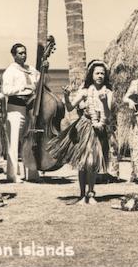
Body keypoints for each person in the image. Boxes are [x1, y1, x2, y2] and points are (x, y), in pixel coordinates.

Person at [48, 60, 113, 205]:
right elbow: (70, 107)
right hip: (83, 127)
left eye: (103, 73)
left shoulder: (108, 93)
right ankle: (83, 194)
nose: (100, 76)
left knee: (92, 162)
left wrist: (103, 103)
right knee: (83, 162)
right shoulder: (85, 91)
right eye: (97, 73)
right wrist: (66, 96)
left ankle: (91, 192)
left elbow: (108, 115)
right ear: (91, 74)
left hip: (99, 129)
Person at [2, 43, 43, 182]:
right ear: (14, 55)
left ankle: (31, 173)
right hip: (15, 107)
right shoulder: (10, 71)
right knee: (13, 141)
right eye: (20, 53)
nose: (23, 55)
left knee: (29, 140)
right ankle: (13, 174)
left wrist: (45, 69)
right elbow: (6, 91)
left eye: (25, 52)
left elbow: (41, 82)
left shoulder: (30, 69)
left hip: (30, 107)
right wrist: (23, 87)